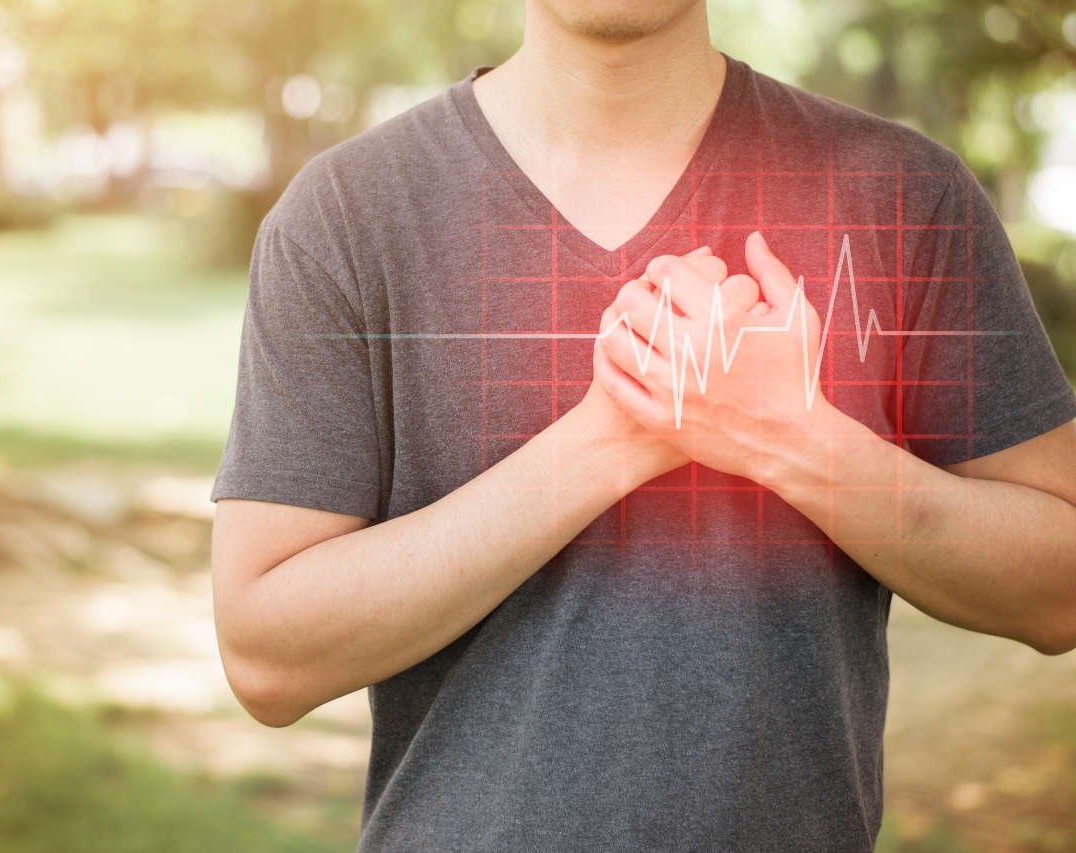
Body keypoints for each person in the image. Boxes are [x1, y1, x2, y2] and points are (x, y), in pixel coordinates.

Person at [209, 1, 1076, 849]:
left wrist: (791, 436)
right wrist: (616, 436)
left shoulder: (902, 195)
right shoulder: (346, 216)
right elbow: (268, 656)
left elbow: (1059, 584)